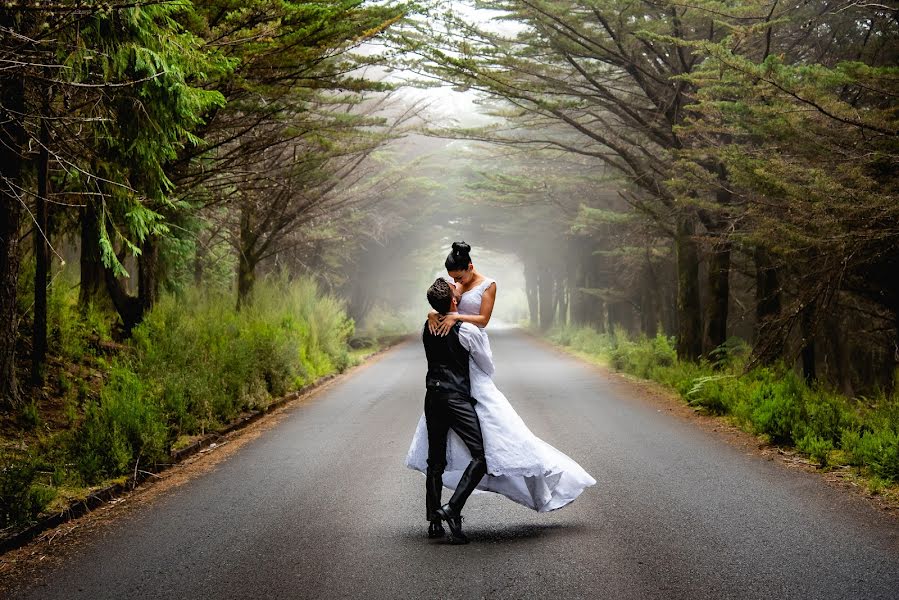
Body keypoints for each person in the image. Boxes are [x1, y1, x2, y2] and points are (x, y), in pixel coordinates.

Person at [406, 242, 596, 517]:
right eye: (453, 280)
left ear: (470, 267)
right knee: (458, 444)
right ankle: (449, 505)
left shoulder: (488, 285)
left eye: (459, 277)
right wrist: (433, 314)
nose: (455, 283)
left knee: (500, 428)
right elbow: (440, 301)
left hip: (464, 351)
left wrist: (455, 316)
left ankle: (451, 504)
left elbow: (482, 320)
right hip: (457, 358)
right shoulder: (453, 288)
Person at [421, 277, 495, 544]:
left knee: (435, 461)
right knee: (480, 456)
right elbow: (486, 366)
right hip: (456, 398)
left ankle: (433, 522)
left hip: (432, 397)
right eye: (455, 292)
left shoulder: (427, 326)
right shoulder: (467, 331)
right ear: (454, 300)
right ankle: (453, 508)